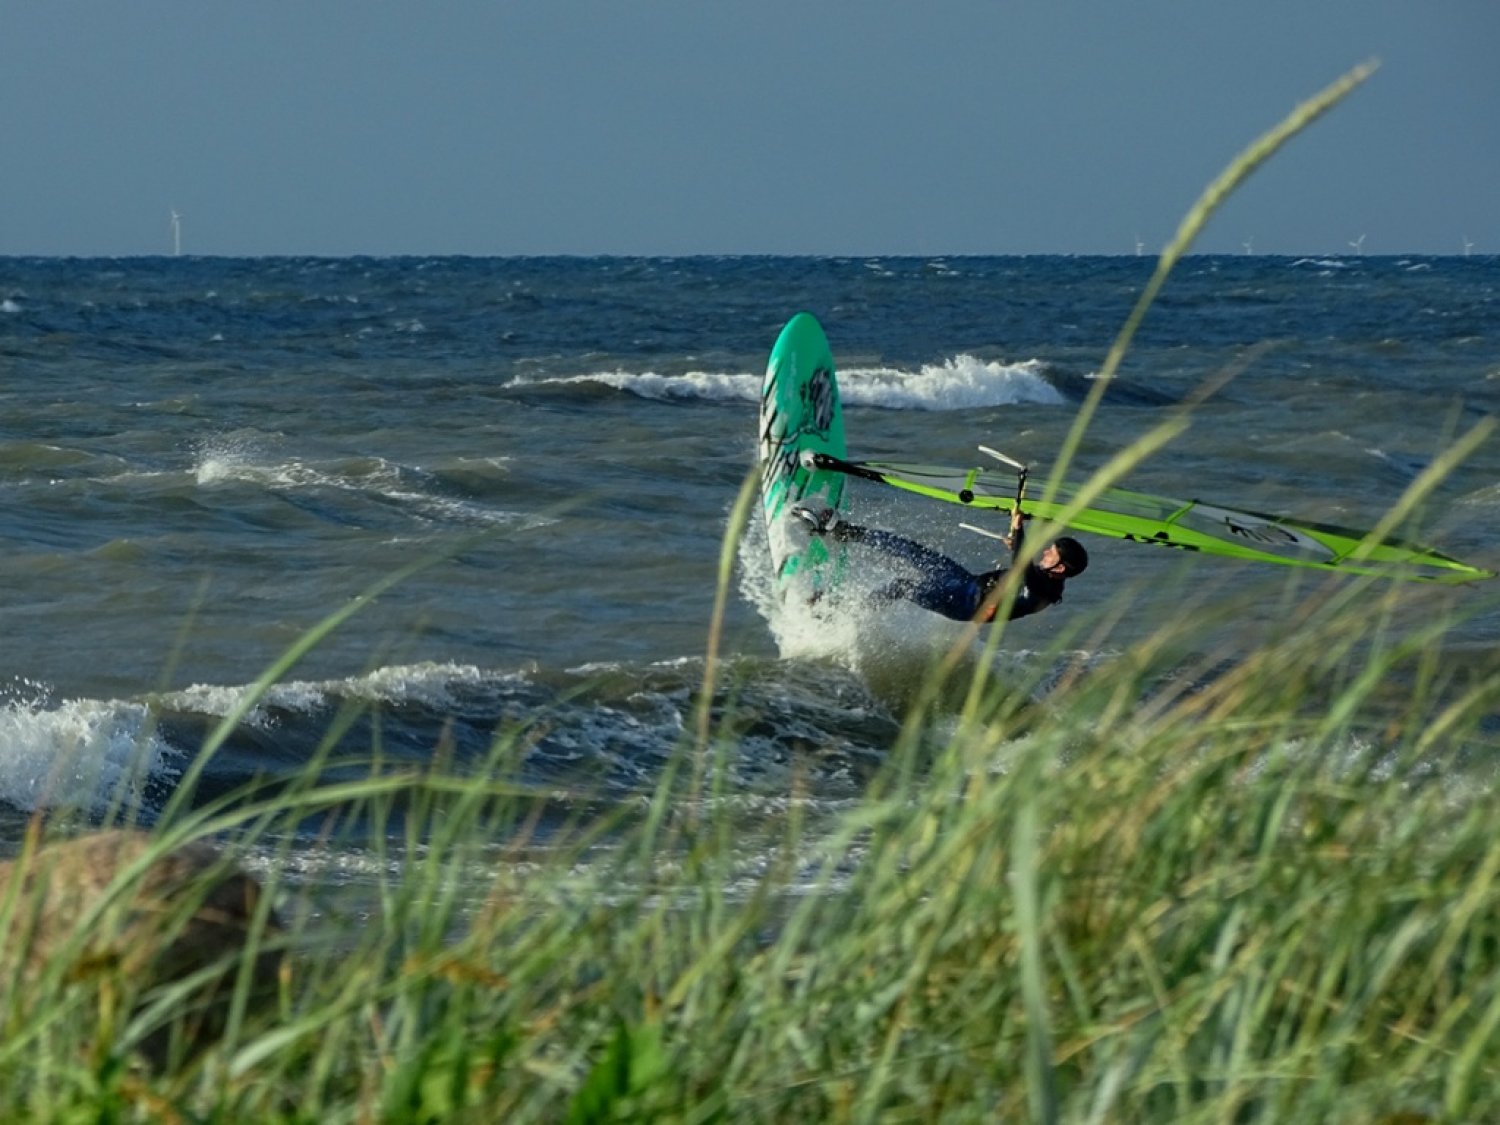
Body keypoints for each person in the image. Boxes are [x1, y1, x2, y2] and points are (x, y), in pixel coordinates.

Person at [794, 503, 1087, 623]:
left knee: (903, 586)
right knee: (913, 552)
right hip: (966, 582)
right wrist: (1014, 542)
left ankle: (838, 613)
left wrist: (1018, 528)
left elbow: (1023, 570)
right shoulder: (1045, 577)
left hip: (964, 605)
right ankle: (843, 532)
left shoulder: (1045, 594)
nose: (1045, 554)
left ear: (1060, 568)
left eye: (1051, 554)